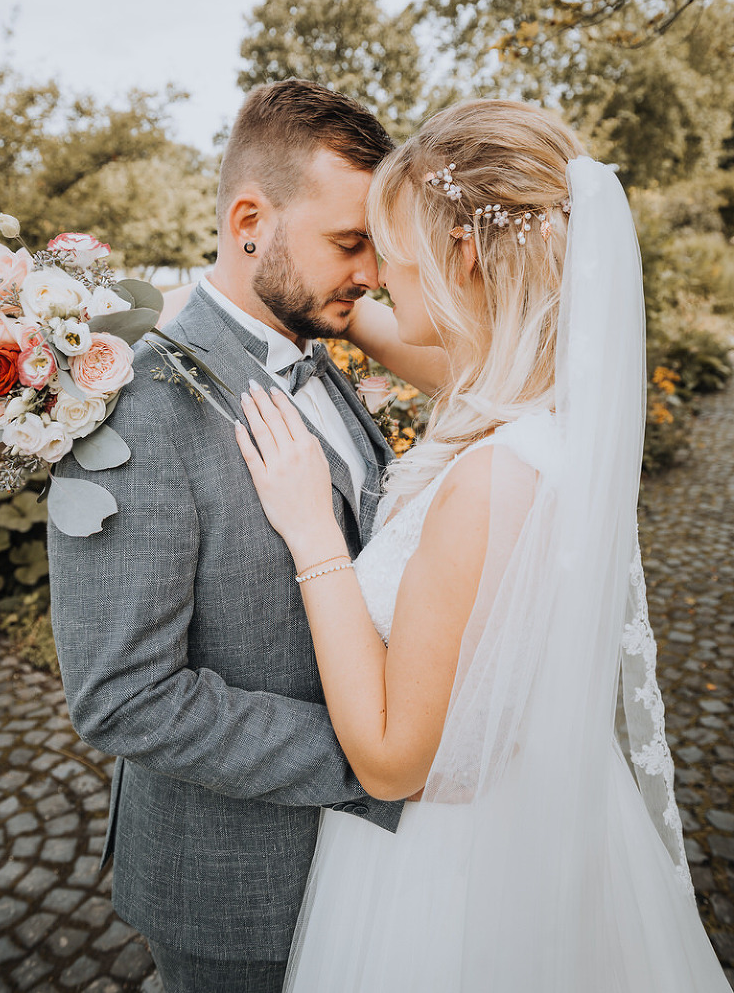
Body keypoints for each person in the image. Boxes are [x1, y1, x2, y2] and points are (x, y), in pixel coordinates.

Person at [236, 98, 731, 991]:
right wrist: (308, 295)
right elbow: (422, 343)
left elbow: (389, 762)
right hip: (539, 826)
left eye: (393, 254)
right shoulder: (549, 403)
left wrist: (313, 530)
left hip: (445, 872)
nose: (380, 277)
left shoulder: (489, 481)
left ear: (462, 253)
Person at [49, 79, 444, 993]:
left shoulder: (319, 350)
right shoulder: (131, 413)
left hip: (361, 877)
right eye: (351, 243)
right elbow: (122, 697)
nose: (374, 275)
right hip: (236, 895)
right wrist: (378, 758)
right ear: (249, 220)